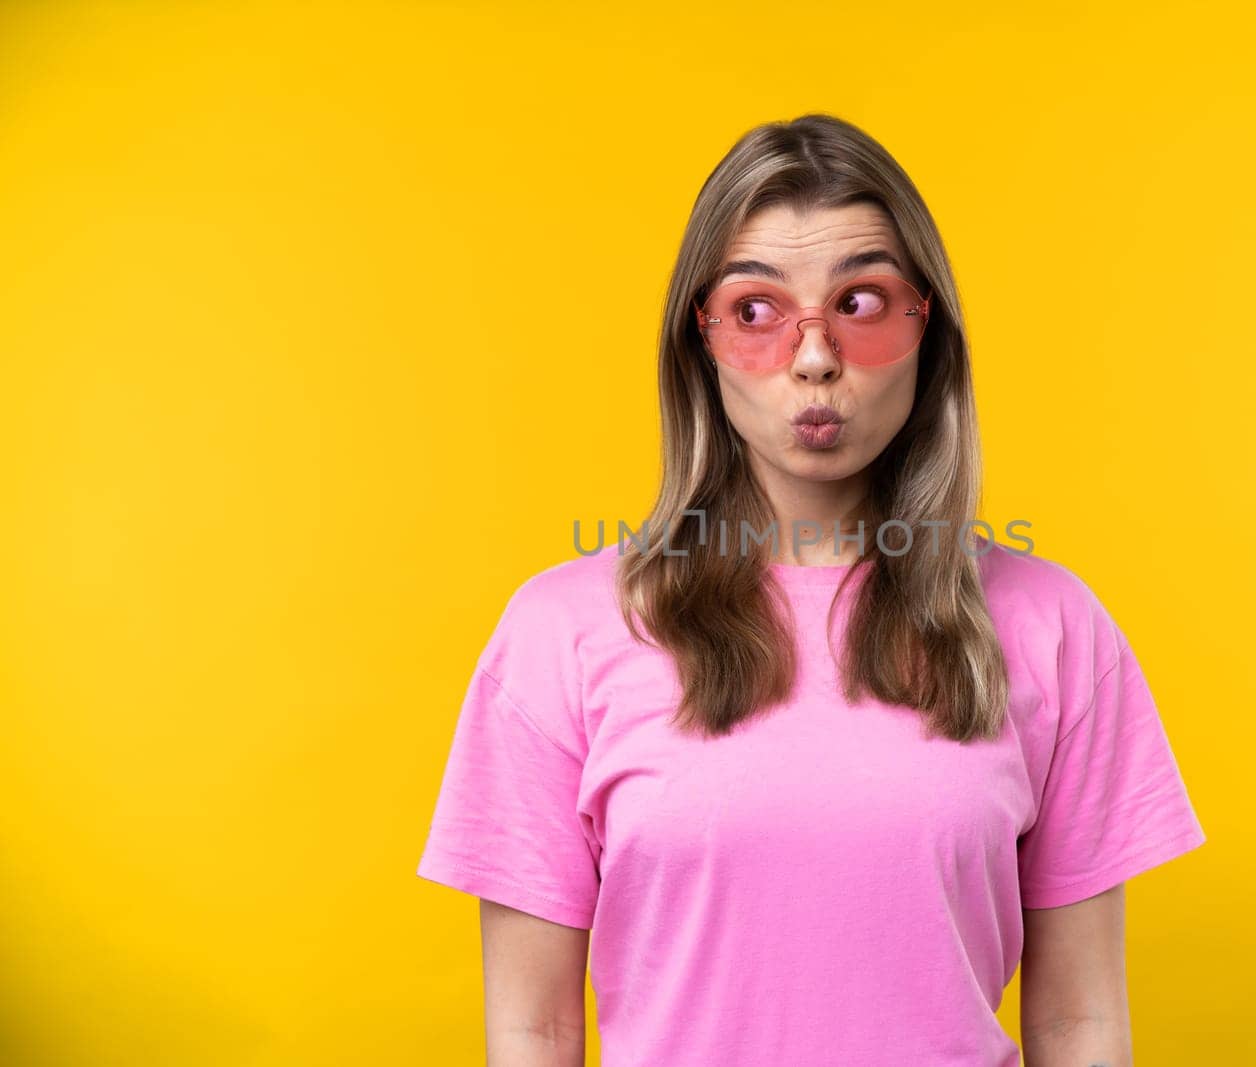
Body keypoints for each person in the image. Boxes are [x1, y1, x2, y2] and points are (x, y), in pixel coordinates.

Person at [417, 112, 1206, 1067]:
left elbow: (1079, 1023)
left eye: (862, 301)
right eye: (756, 310)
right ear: (700, 345)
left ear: (929, 331)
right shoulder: (559, 634)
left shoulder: (1054, 628)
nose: (814, 354)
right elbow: (534, 1030)